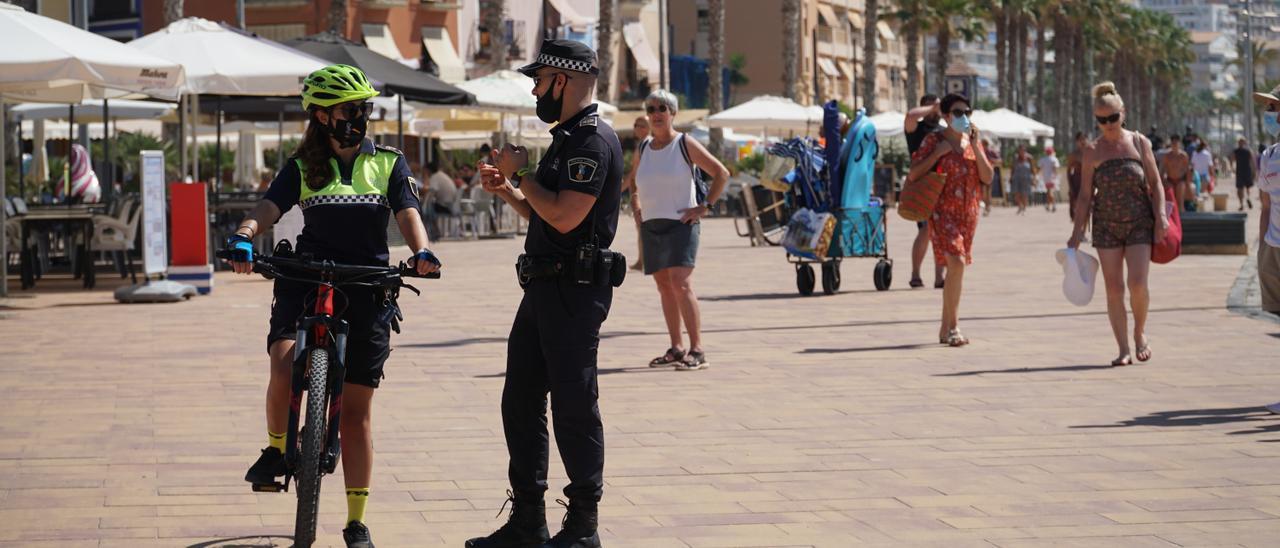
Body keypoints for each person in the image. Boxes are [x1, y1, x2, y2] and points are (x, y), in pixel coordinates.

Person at [227, 64, 441, 548]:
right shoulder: (302, 167)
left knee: (357, 411)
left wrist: (421, 252)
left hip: (367, 283)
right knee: (282, 364)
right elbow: (268, 208)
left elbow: (408, 212)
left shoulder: (388, 162)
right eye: (351, 109)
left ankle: (356, 521)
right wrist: (243, 236)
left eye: (365, 108)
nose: (361, 117)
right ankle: (277, 449)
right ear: (323, 117)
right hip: (306, 276)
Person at [468, 39, 623, 548]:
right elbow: (544, 215)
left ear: (561, 80)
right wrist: (510, 190)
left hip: (574, 293)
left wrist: (523, 173)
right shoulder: (566, 137)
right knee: (521, 401)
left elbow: (566, 214)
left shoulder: (592, 141)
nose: (534, 90)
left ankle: (582, 527)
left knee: (574, 406)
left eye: (538, 80)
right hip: (543, 286)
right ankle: (528, 520)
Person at [1067, 81, 1168, 367]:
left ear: (1123, 113)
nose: (1109, 124)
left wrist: (1160, 216)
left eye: (1113, 117)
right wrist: (1077, 232)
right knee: (1114, 289)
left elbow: (1156, 183)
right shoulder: (1092, 151)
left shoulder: (1139, 142)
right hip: (1106, 225)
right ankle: (1123, 348)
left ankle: (1139, 332)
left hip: (1139, 222)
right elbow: (1085, 196)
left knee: (1137, 284)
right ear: (1096, 120)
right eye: (1102, 120)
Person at [629, 89, 729, 371]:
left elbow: (721, 173)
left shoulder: (685, 143)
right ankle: (676, 347)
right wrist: (636, 207)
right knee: (664, 286)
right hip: (651, 225)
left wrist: (705, 206)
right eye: (651, 109)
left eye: (662, 108)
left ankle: (698, 350)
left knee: (681, 283)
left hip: (681, 224)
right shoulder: (643, 147)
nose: (656, 114)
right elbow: (635, 184)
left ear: (672, 113)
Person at [907, 93, 993, 347]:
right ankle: (954, 327)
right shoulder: (934, 140)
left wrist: (976, 146)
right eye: (957, 112)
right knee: (956, 263)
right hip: (942, 213)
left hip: (968, 215)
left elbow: (987, 177)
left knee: (957, 268)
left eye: (967, 112)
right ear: (945, 116)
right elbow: (914, 174)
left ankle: (945, 328)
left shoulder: (972, 142)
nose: (963, 117)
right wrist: (937, 154)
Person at [1253, 86, 1280, 416]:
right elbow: (1264, 205)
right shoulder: (1268, 155)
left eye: (1274, 106)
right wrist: (1261, 249)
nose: (1270, 113)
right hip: (1273, 247)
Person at [904, 94, 945, 288]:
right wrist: (934, 107)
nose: (936, 111)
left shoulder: (945, 131)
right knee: (926, 229)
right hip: (923, 185)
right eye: (930, 107)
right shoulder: (916, 129)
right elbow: (910, 116)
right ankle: (915, 274)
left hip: (944, 185)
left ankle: (939, 277)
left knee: (942, 232)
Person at [623, 115, 650, 270]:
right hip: (641, 192)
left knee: (642, 226)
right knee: (641, 227)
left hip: (644, 193)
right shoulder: (643, 145)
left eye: (642, 125)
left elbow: (634, 173)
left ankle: (643, 261)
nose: (638, 128)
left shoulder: (647, 145)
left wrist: (618, 189)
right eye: (636, 125)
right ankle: (642, 260)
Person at [1162, 135, 1191, 213]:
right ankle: (1172, 218)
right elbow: (1162, 170)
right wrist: (1163, 180)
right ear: (1171, 144)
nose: (1174, 144)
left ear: (1179, 144)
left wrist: (1188, 184)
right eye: (1173, 143)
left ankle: (1182, 217)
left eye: (1176, 143)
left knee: (1180, 200)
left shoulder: (1183, 156)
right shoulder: (1167, 156)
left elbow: (1187, 170)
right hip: (1170, 180)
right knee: (1171, 201)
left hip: (1180, 180)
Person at [1067, 132, 1089, 221]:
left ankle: (1084, 228)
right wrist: (1071, 186)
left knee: (1088, 206)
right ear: (1077, 141)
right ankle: (1078, 228)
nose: (1083, 141)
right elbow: (1068, 171)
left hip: (1088, 181)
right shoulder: (1073, 155)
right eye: (1080, 139)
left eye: (1084, 139)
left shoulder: (1091, 153)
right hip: (1077, 181)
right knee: (1077, 206)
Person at [1010, 144, 1034, 215]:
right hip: (1017, 178)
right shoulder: (1016, 158)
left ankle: (1024, 208)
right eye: (1020, 150)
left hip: (1026, 178)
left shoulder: (1029, 158)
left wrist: (1034, 178)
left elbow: (1032, 168)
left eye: (1023, 150)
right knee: (1016, 194)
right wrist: (1011, 176)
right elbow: (1012, 168)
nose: (1022, 151)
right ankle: (1020, 206)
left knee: (1025, 194)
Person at [1233, 137, 1256, 211]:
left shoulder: (1236, 151)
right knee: (1247, 187)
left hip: (1240, 171)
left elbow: (1232, 159)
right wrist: (1254, 171)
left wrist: (1232, 168)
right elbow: (1252, 161)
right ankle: (1247, 199)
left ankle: (1242, 204)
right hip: (1246, 171)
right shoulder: (1248, 151)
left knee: (1241, 188)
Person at [1039, 146, 1061, 212]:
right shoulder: (1054, 159)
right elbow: (1055, 168)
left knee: (1049, 192)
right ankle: (1050, 205)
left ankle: (1052, 205)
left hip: (1046, 178)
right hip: (1052, 178)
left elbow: (1040, 167)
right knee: (1049, 192)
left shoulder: (1043, 159)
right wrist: (1056, 175)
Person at [983, 139, 1000, 216]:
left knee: (988, 191)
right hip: (981, 173)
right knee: (983, 192)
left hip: (990, 173)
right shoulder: (980, 151)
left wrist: (992, 160)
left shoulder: (991, 152)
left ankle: (987, 207)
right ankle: (986, 206)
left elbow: (1000, 160)